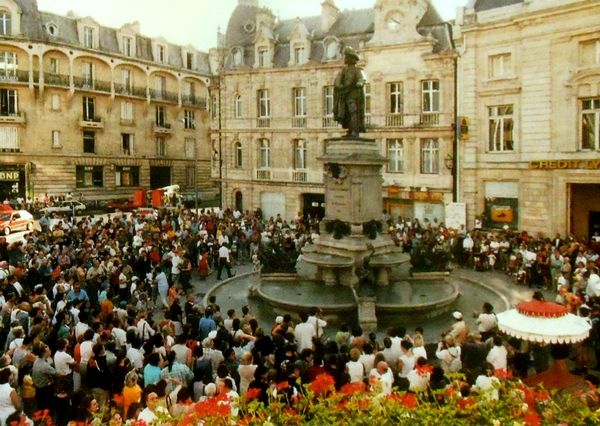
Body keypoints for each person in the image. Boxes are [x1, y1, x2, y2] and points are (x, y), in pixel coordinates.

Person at [333, 46, 366, 138]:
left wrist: (359, 83)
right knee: (345, 113)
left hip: (353, 95)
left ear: (351, 59)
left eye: (346, 57)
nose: (345, 58)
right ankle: (349, 130)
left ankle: (355, 130)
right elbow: (337, 80)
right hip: (345, 95)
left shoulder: (357, 70)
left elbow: (362, 78)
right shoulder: (344, 70)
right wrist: (339, 85)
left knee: (353, 111)